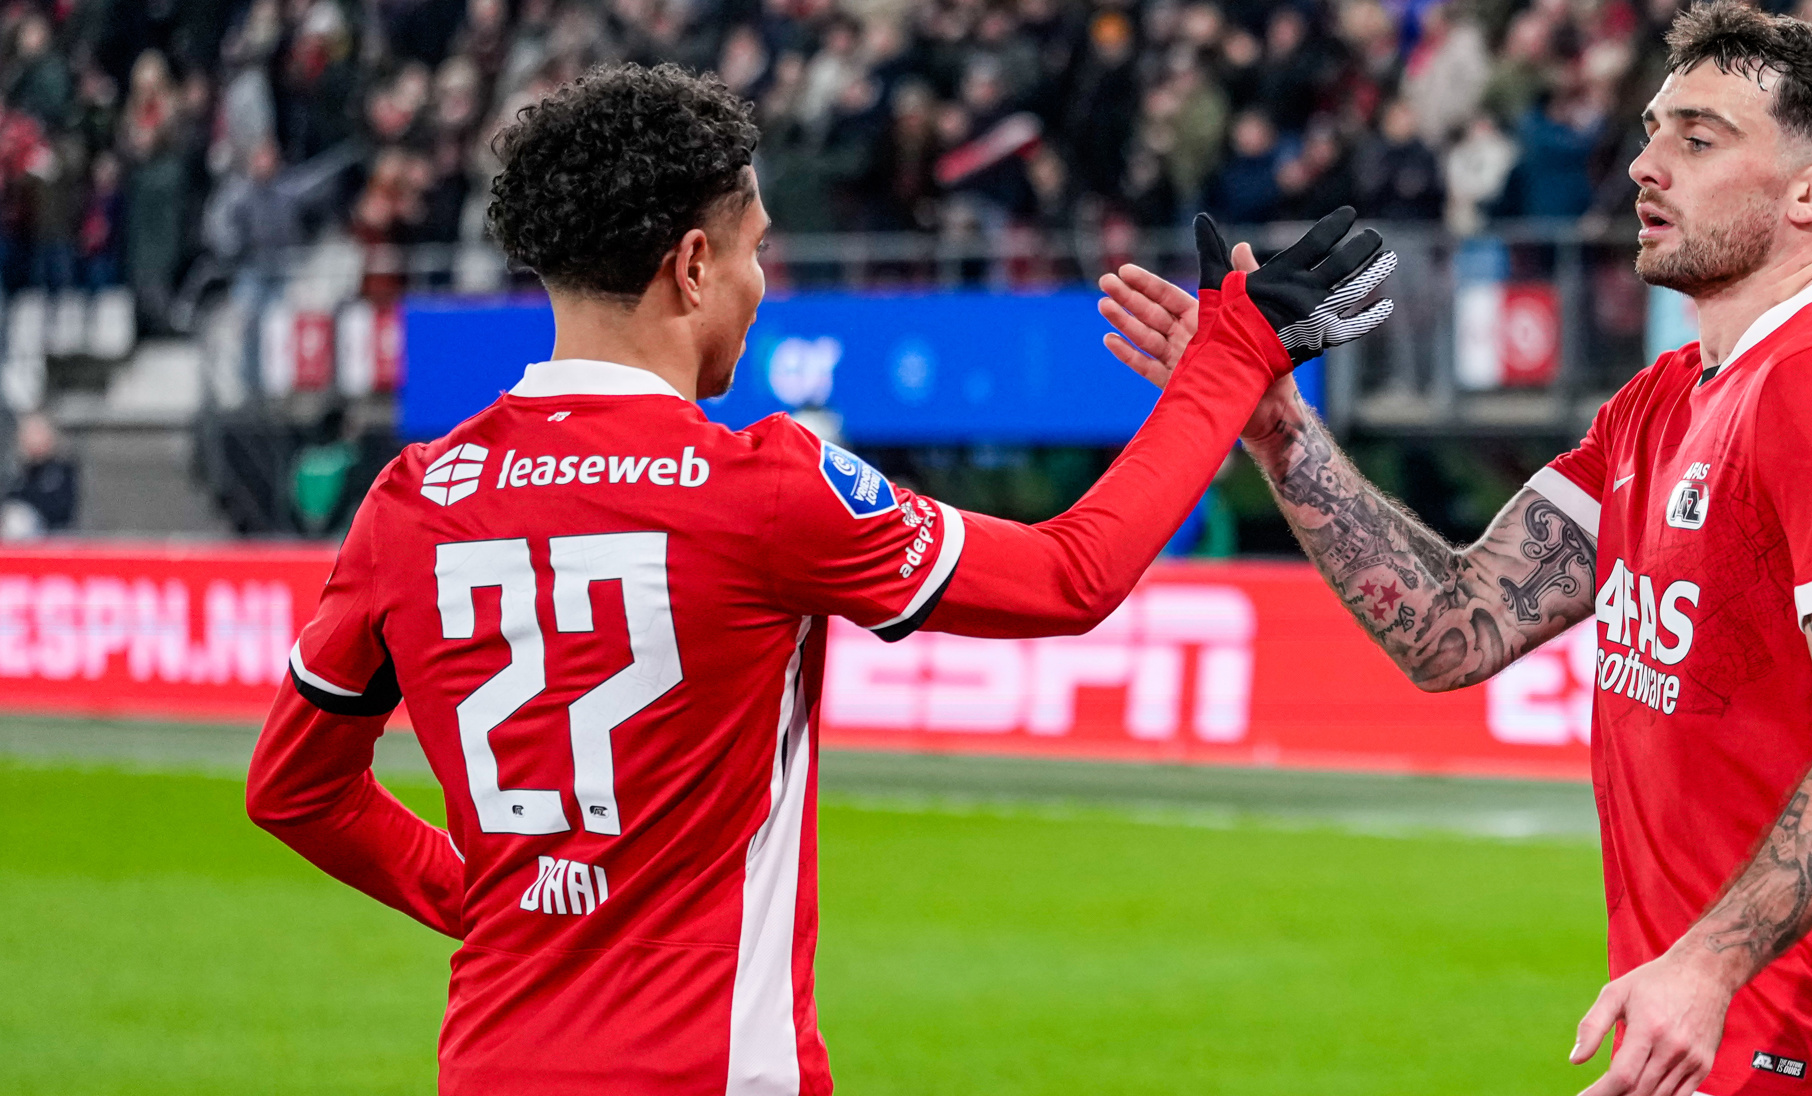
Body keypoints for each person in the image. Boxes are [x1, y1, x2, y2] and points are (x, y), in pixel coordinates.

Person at [244, 64, 1394, 1093]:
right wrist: (1230, 363)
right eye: (754, 250)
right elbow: (1070, 575)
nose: (761, 283)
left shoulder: (413, 499)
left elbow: (294, 790)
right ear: (692, 265)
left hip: (490, 1064)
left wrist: (498, 903)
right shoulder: (760, 487)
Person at [1099, 5, 1812, 1094]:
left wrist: (1705, 965)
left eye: (1699, 139)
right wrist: (1278, 428)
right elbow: (1454, 627)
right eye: (1653, 130)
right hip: (1691, 1028)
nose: (1646, 165)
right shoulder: (1663, 399)